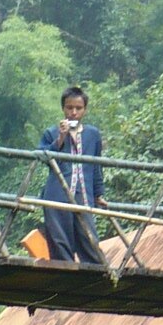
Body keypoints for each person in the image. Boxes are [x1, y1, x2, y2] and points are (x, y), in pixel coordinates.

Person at [39, 86, 107, 264]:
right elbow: (44, 156)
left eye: (78, 108)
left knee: (90, 242)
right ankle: (65, 281)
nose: (74, 112)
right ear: (63, 108)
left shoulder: (93, 134)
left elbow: (96, 165)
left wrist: (99, 194)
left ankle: (96, 280)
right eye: (69, 108)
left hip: (83, 196)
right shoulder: (51, 133)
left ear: (85, 109)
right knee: (60, 243)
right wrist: (61, 138)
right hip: (57, 196)